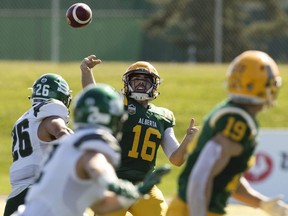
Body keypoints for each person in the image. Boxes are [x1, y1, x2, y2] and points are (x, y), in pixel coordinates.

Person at [11, 84, 171, 216]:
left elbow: (101, 206)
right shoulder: (94, 143)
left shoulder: (69, 142)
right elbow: (94, 164)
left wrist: (136, 194)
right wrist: (115, 184)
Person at [166, 50, 288, 216]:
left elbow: (225, 177)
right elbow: (201, 176)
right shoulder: (237, 122)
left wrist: (262, 203)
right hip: (196, 209)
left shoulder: (233, 113)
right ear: (260, 85)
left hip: (193, 207)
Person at [80, 55, 198, 216]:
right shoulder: (120, 102)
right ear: (128, 82)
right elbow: (94, 96)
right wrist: (86, 71)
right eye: (136, 79)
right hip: (114, 183)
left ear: (154, 85)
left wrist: (189, 139)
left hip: (145, 186)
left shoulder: (163, 116)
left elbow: (176, 159)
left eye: (146, 80)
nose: (141, 83)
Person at [4, 73, 73, 216]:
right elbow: (62, 132)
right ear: (62, 98)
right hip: (40, 194)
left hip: (15, 197)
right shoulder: (51, 116)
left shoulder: (24, 120)